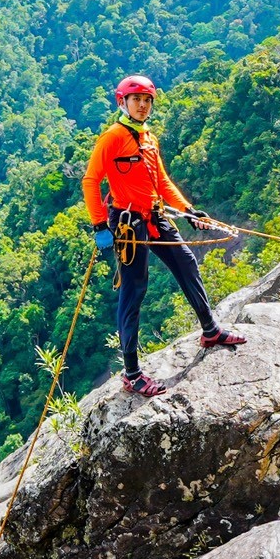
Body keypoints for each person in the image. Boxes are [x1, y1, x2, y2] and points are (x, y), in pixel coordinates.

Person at [83, 73, 244, 396]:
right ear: (123, 102)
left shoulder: (149, 139)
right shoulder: (113, 138)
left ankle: (210, 330)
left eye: (147, 101)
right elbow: (91, 180)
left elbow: (163, 182)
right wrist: (100, 224)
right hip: (128, 224)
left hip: (155, 216)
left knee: (186, 262)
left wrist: (188, 210)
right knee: (134, 289)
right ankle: (131, 373)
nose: (143, 106)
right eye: (137, 100)